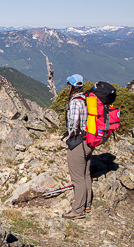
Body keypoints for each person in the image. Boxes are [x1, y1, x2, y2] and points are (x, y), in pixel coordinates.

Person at [62, 74, 94, 220]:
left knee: (77, 179)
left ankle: (77, 210)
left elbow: (74, 123)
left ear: (71, 86)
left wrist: (70, 136)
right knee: (86, 174)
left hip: (78, 142)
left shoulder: (75, 102)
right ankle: (87, 204)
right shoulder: (87, 99)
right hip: (89, 141)